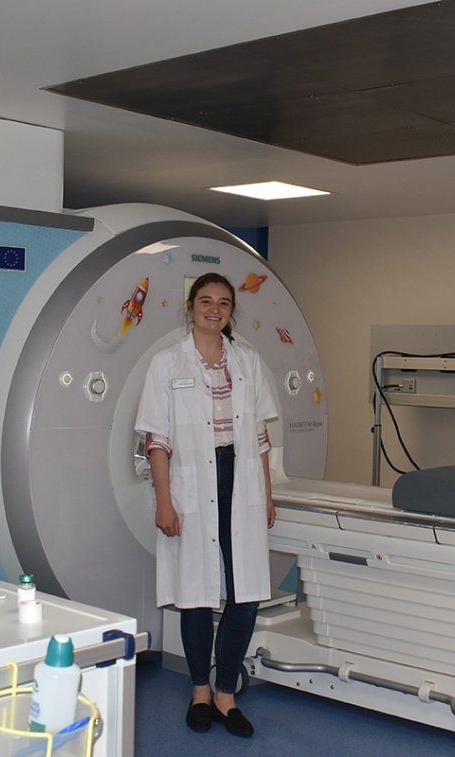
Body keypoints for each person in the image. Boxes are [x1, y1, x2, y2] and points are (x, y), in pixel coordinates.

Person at [135, 272, 279, 738]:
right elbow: (157, 440)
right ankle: (200, 690)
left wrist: (267, 495)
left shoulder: (248, 361)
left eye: (222, 303)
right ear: (190, 306)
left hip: (242, 480)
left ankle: (225, 693)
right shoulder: (167, 363)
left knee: (245, 593)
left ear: (232, 311)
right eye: (205, 301)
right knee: (194, 591)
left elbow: (260, 435)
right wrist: (164, 501)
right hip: (192, 482)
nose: (214, 309)